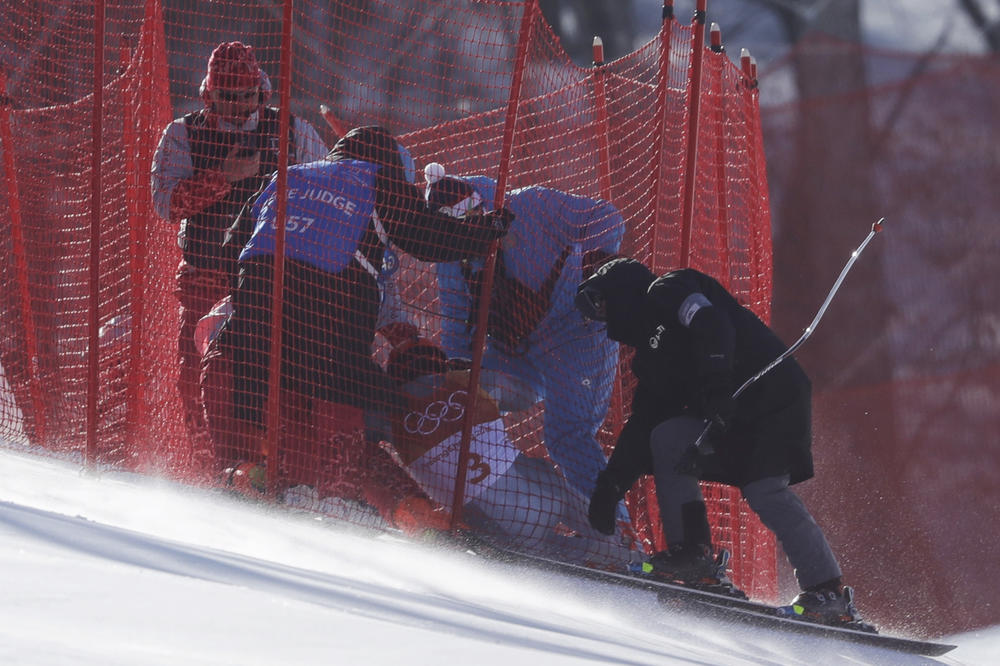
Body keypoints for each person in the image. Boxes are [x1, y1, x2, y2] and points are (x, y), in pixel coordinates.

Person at [575, 257, 867, 626]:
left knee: (764, 489)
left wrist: (715, 386)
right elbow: (643, 422)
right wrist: (612, 483)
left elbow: (712, 323)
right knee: (665, 438)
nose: (601, 316)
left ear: (619, 289)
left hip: (770, 398)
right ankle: (694, 557)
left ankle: (827, 591)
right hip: (728, 415)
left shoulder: (668, 290)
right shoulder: (651, 362)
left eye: (600, 303)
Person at [211, 126, 512, 483]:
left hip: (258, 295)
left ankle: (244, 472)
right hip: (332, 303)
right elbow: (423, 237)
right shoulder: (378, 178)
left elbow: (230, 247)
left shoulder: (286, 175)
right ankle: (352, 484)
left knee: (249, 368)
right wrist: (485, 233)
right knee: (358, 388)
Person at [424, 165, 631, 535]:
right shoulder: (451, 252)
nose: (467, 245)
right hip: (517, 355)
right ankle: (492, 507)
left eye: (473, 228)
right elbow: (456, 316)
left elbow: (607, 217)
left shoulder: (533, 205)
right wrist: (456, 375)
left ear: (481, 210)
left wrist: (597, 274)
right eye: (458, 238)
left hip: (578, 336)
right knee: (469, 396)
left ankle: (615, 535)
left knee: (567, 434)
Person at [150, 41, 328, 443]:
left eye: (247, 96)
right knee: (196, 385)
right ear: (209, 94)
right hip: (205, 278)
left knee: (279, 383)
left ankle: (272, 467)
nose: (239, 106)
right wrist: (223, 177)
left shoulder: (294, 130)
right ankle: (214, 470)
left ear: (261, 91)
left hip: (273, 281)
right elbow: (166, 203)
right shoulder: (182, 133)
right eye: (228, 98)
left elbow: (322, 194)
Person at [383, 334, 641, 567]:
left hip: (506, 523)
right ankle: (637, 557)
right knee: (572, 501)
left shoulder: (390, 415)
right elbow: (525, 395)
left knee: (546, 549)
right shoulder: (469, 380)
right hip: (544, 489)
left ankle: (615, 561)